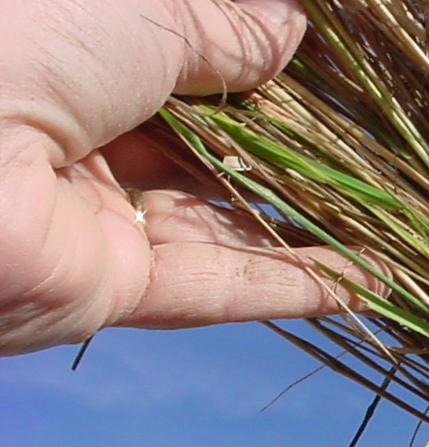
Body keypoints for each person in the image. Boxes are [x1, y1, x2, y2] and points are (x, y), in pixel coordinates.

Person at [0, 0, 372, 358]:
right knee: (236, 167)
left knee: (237, 168)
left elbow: (231, 167)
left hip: (203, 158)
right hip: (201, 149)